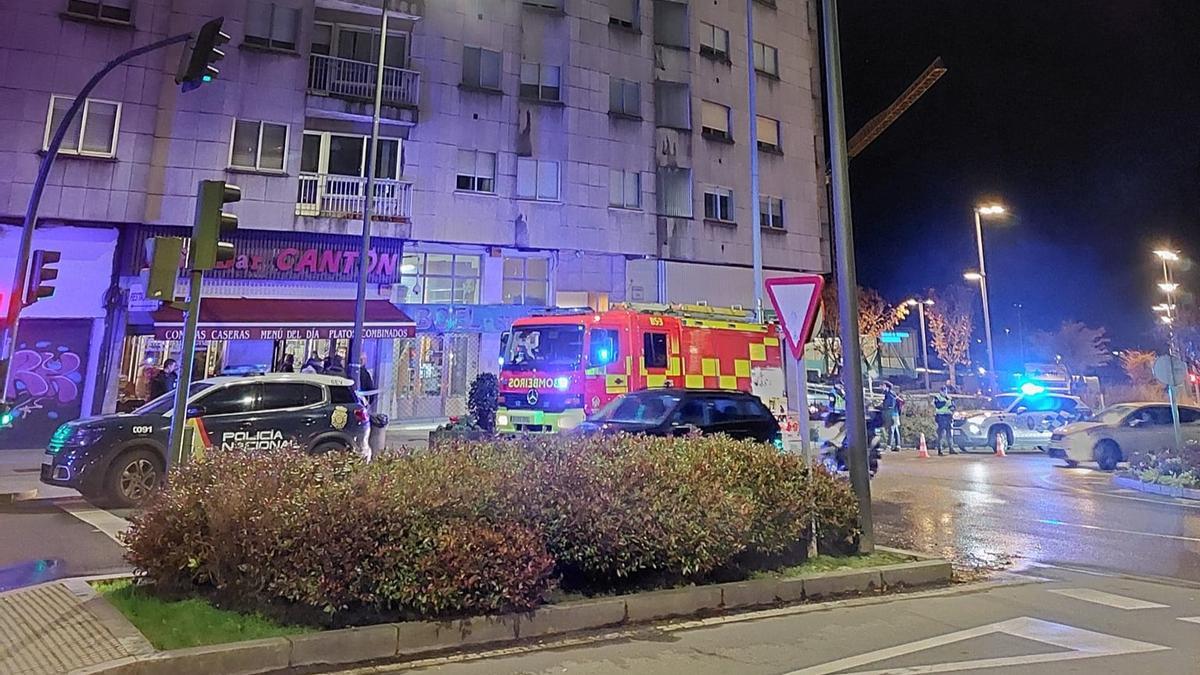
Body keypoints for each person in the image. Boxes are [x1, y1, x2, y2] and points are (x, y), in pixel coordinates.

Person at [933, 384, 957, 456]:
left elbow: (953, 405)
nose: (944, 392)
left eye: (945, 391)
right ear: (940, 391)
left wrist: (952, 407)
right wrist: (946, 402)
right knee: (941, 434)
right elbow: (938, 405)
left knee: (949, 434)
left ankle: (951, 449)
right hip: (941, 417)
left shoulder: (949, 397)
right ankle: (940, 450)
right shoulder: (937, 397)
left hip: (948, 416)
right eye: (943, 391)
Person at [881, 382, 901, 450]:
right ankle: (898, 445)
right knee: (895, 430)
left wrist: (882, 407)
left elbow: (890, 405)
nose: (881, 387)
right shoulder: (889, 394)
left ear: (887, 387)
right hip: (895, 413)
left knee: (891, 429)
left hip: (892, 414)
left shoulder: (890, 394)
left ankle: (889, 445)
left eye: (883, 385)